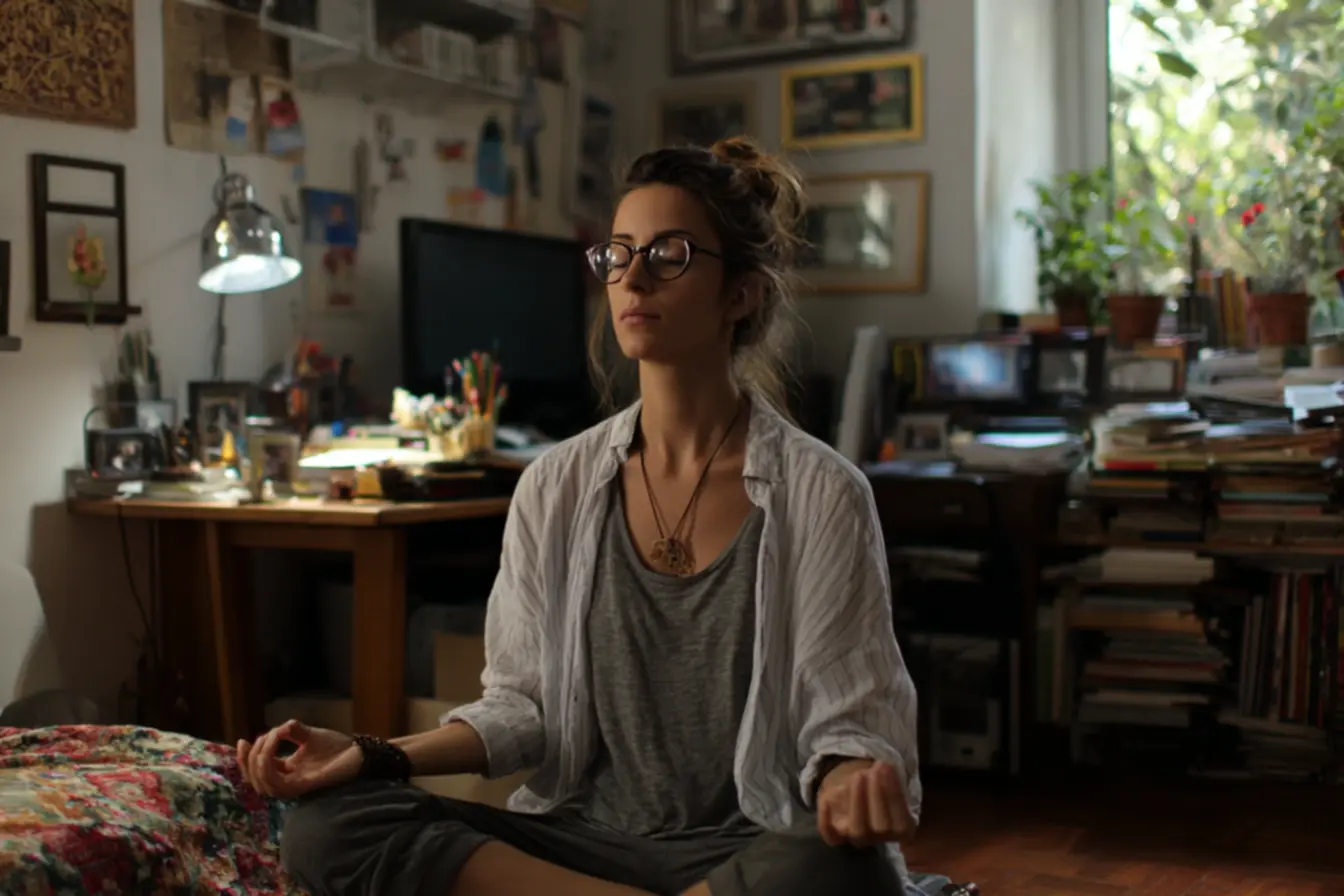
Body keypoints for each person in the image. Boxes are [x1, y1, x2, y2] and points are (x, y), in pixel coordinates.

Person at [238, 136, 922, 896]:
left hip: (743, 848)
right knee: (327, 826)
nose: (632, 276)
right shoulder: (555, 485)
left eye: (669, 254)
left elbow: (850, 718)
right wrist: (374, 757)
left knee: (842, 868)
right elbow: (520, 709)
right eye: (619, 254)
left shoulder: (822, 492)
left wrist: (849, 781)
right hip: (582, 845)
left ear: (743, 294)